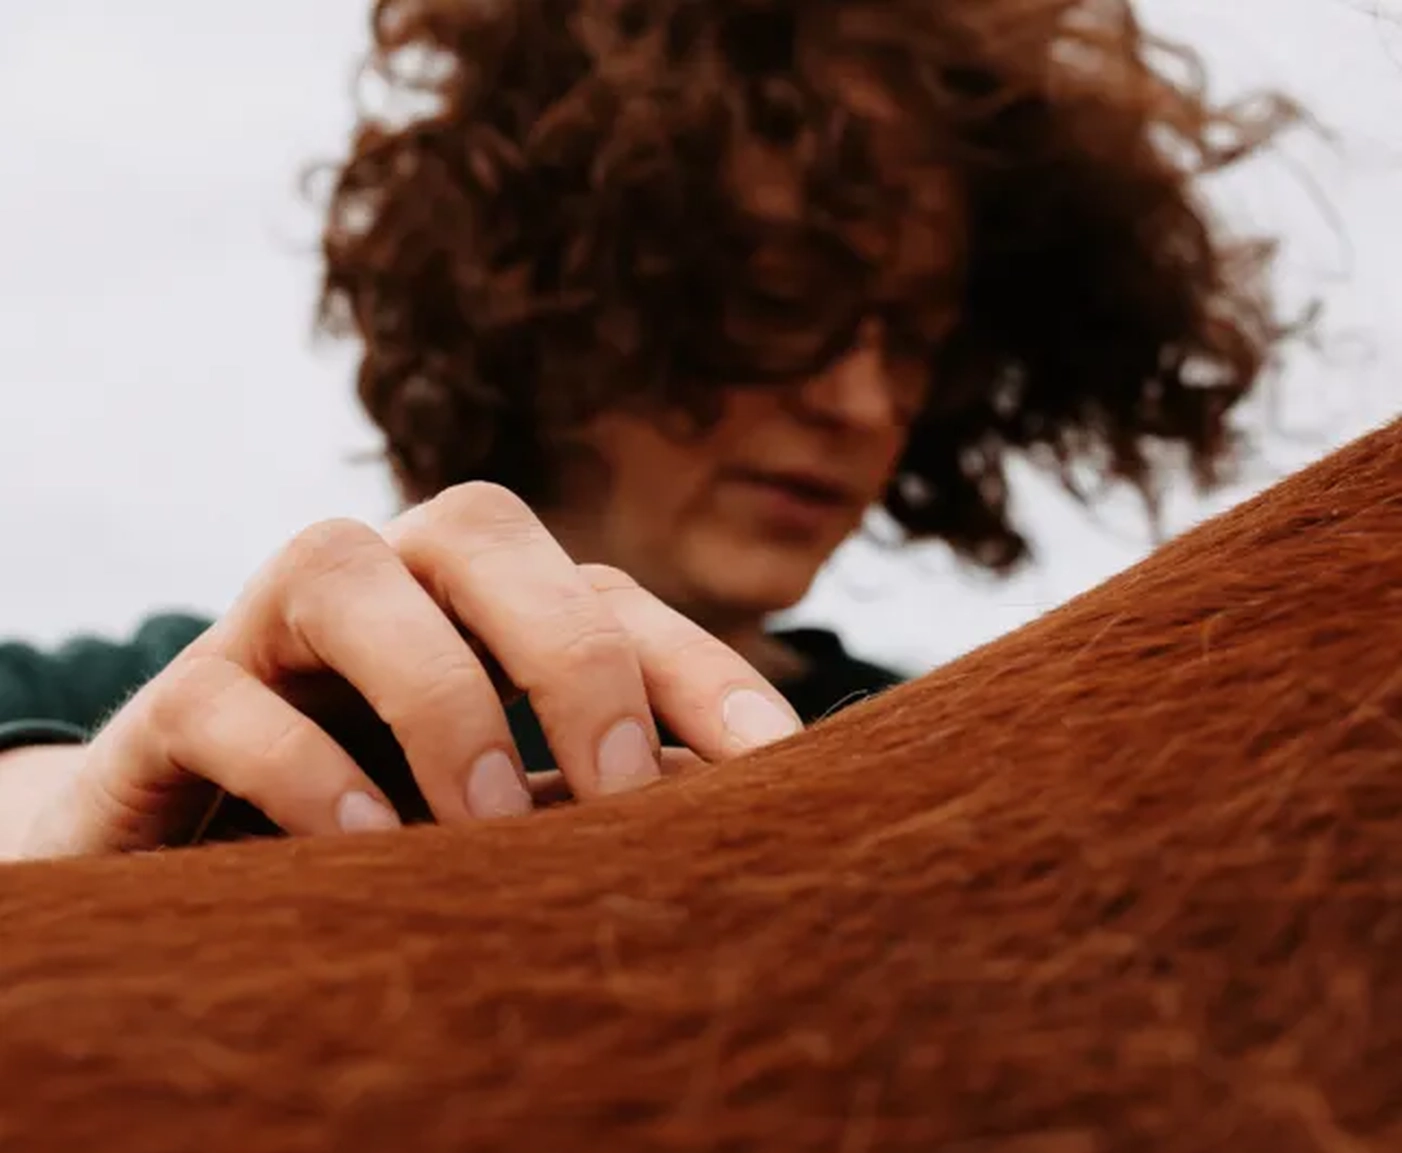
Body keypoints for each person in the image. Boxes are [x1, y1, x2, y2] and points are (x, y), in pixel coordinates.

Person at [0, 0, 1300, 861]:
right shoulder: (131, 706)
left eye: (913, 338)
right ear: (561, 288)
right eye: (779, 301)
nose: (859, 401)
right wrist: (86, 811)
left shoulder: (973, 759)